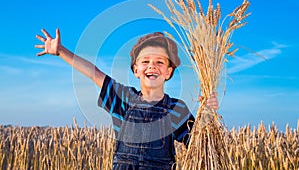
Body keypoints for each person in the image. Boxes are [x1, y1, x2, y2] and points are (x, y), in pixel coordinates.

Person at [35, 28, 219, 170]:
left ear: (169, 72)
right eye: (145, 61)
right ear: (135, 69)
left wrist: (207, 114)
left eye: (160, 62)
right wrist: (61, 52)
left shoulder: (177, 109)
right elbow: (94, 73)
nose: (152, 66)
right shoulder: (124, 98)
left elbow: (198, 144)